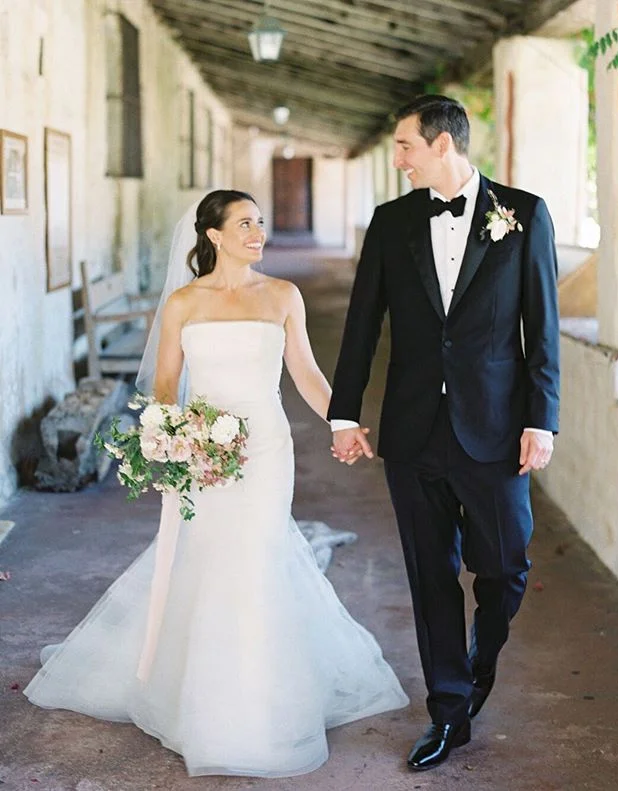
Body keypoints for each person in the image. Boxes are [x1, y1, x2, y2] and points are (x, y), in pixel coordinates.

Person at [24, 189, 408, 778]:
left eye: (261, 222)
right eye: (245, 223)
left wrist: (344, 421)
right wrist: (180, 441)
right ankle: (201, 696)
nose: (259, 232)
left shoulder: (283, 295)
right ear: (214, 236)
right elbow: (163, 387)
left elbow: (304, 372)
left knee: (258, 558)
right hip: (203, 454)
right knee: (208, 562)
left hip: (266, 451)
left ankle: (260, 699)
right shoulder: (183, 304)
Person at [328, 95, 560, 771]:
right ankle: (448, 710)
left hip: (495, 430)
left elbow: (543, 331)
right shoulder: (391, 222)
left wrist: (540, 419)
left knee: (507, 564)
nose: (397, 158)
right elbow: (363, 323)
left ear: (442, 146)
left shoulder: (525, 215)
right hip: (412, 433)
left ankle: (480, 662)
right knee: (430, 576)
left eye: (404, 146)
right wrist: (346, 413)